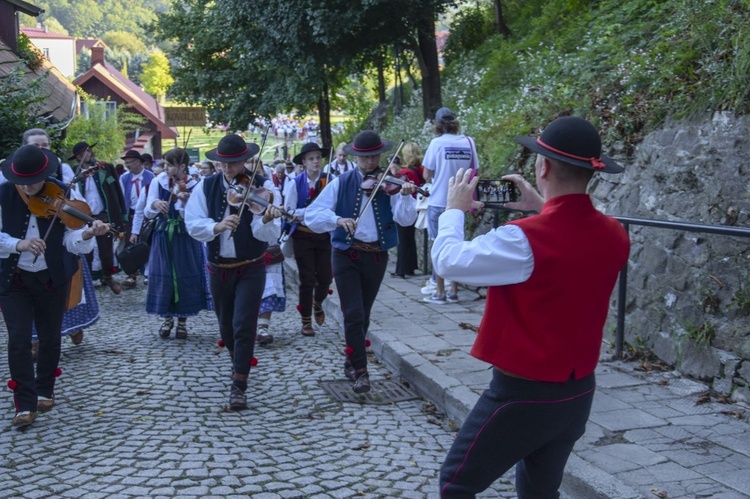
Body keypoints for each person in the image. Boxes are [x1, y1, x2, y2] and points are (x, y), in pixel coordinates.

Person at [435, 116, 630, 497]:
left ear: (543, 167)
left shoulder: (521, 239)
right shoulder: (615, 232)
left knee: (456, 484)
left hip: (522, 394)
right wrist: (538, 204)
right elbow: (571, 234)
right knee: (540, 491)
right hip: (578, 392)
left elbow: (448, 261)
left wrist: (454, 209)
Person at [0, 145, 110, 427]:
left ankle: (44, 389)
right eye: (22, 181)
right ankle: (24, 404)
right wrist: (17, 244)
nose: (28, 186)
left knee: (50, 336)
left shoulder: (65, 192)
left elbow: (72, 241)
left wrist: (87, 232)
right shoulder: (3, 194)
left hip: (53, 275)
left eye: (34, 181)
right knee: (20, 339)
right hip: (15, 278)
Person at [305, 130, 417, 394]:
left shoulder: (391, 184)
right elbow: (313, 215)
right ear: (356, 156)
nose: (370, 162)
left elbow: (405, 220)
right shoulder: (341, 182)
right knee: (353, 313)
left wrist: (405, 195)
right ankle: (361, 371)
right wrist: (337, 220)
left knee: (363, 314)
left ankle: (350, 359)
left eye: (375, 156)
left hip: (377, 255)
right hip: (346, 253)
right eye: (365, 157)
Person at [184, 134, 282, 410]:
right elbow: (192, 221)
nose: (227, 168)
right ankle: (236, 361)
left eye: (233, 163)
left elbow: (266, 234)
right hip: (218, 268)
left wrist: (265, 217)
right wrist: (216, 226)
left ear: (244, 161)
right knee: (226, 326)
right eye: (222, 163)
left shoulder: (262, 186)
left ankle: (239, 385)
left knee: (243, 324)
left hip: (251, 266)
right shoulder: (207, 186)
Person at [17, 128, 98, 347]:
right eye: (36, 146)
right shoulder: (14, 174)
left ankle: (72, 327)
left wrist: (81, 224)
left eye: (45, 145)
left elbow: (73, 201)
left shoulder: (62, 169)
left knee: (67, 289)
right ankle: (34, 341)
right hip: (27, 246)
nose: (42, 149)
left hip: (60, 240)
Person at [143, 147, 212, 340]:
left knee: (184, 275)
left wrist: (186, 202)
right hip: (163, 234)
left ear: (182, 166)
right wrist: (156, 204)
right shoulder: (158, 182)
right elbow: (148, 210)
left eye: (169, 165)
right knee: (164, 276)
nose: (165, 168)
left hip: (185, 235)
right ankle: (167, 318)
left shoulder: (195, 185)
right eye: (164, 164)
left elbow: (199, 214)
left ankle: (182, 321)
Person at [422, 107, 480, 305]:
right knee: (457, 244)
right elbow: (476, 169)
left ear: (437, 125)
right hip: (460, 201)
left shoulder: (436, 143)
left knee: (438, 245)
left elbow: (426, 174)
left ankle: (440, 292)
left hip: (439, 200)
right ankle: (453, 291)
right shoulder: (468, 142)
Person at [283, 143, 334, 336]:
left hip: (323, 236)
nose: (315, 162)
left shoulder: (330, 180)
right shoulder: (295, 183)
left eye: (318, 158)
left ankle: (317, 302)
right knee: (307, 279)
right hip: (303, 235)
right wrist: (309, 212)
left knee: (326, 277)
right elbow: (288, 212)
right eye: (311, 158)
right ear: (303, 162)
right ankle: (306, 322)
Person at [69, 141, 128, 294]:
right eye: (82, 154)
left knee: (106, 249)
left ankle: (108, 277)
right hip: (83, 217)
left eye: (88, 152)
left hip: (104, 216)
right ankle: (86, 280)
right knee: (85, 251)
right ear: (77, 158)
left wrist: (122, 215)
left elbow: (117, 192)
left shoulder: (105, 168)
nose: (86, 155)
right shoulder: (74, 173)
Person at [119, 150, 154, 289]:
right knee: (130, 244)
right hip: (131, 214)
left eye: (130, 162)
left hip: (148, 215)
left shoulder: (151, 177)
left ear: (139, 162)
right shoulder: (124, 178)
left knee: (147, 244)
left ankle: (148, 273)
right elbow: (122, 198)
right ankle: (131, 275)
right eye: (125, 163)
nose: (127, 165)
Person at [390, 143, 425, 278]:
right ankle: (411, 266)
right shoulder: (421, 169)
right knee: (410, 238)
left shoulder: (404, 173)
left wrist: (393, 171)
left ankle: (401, 269)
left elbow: (395, 182)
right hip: (418, 205)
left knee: (402, 239)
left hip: (407, 205)